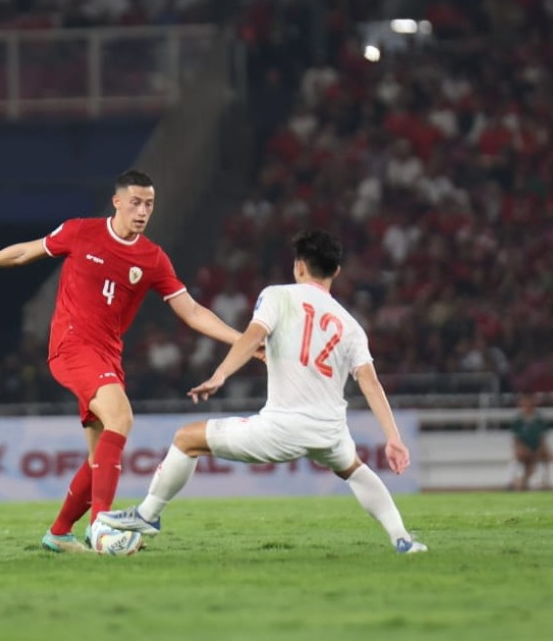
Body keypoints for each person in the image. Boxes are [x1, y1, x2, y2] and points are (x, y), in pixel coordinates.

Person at [0, 170, 252, 553]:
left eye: (149, 204)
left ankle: (58, 533)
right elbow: (26, 251)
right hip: (71, 347)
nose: (142, 211)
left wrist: (243, 341)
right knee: (121, 418)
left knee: (98, 457)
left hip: (107, 354)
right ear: (117, 201)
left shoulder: (152, 258)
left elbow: (191, 312)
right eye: (136, 202)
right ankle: (102, 526)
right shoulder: (80, 232)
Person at [100, 229, 428, 554]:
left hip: (282, 427)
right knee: (354, 470)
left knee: (187, 438)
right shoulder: (350, 325)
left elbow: (253, 335)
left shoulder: (278, 296)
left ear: (299, 266)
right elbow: (370, 382)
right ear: (336, 271)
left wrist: (221, 373)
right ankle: (403, 540)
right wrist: (394, 438)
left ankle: (148, 515)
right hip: (329, 429)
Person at [508, 393, 553, 490]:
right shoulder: (518, 420)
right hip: (524, 449)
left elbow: (542, 438)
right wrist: (523, 449)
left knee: (549, 456)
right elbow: (516, 440)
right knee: (519, 456)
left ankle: (545, 482)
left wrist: (539, 450)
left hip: (537, 448)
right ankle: (513, 482)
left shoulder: (539, 419)